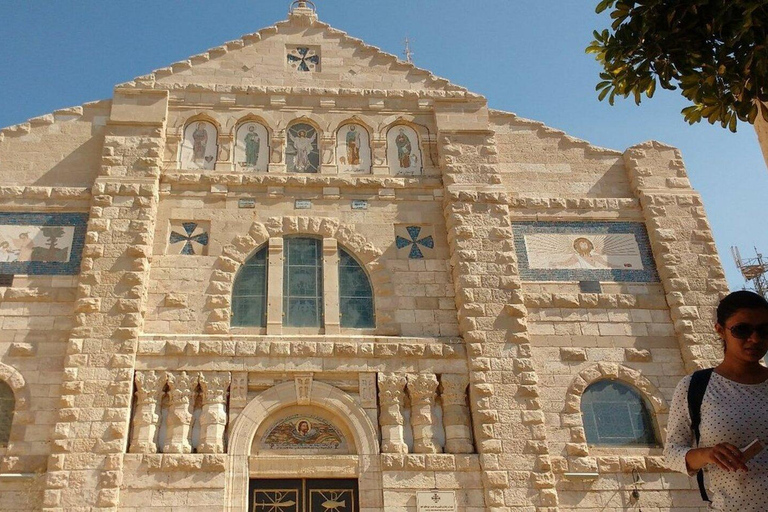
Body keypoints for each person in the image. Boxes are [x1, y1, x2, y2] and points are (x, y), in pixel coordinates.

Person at [664, 290, 768, 511]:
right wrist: (708, 454)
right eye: (742, 330)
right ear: (721, 330)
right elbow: (672, 453)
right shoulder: (696, 386)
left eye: (764, 330)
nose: (755, 339)